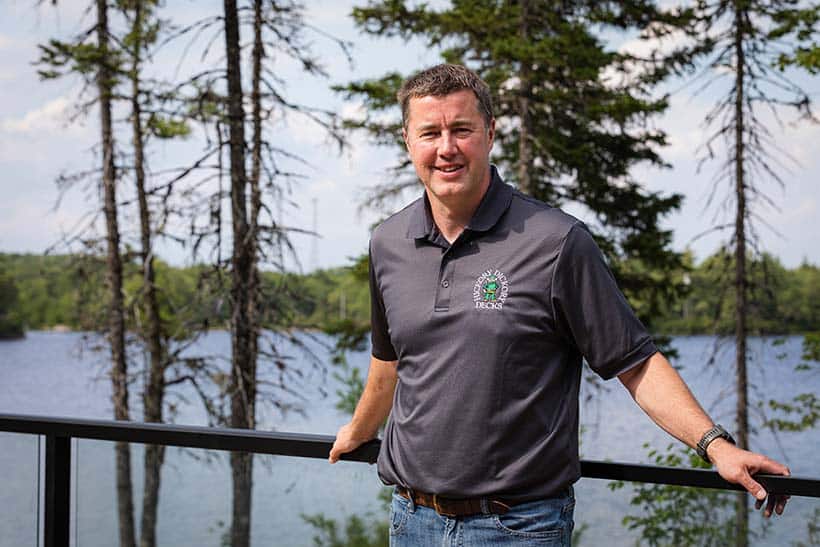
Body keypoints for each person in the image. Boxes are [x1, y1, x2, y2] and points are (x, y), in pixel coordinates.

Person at [328, 63, 789, 546]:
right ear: (408, 141)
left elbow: (635, 362)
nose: (447, 148)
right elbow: (390, 360)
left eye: (461, 129)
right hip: (411, 520)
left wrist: (716, 446)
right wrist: (359, 430)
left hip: (518, 527)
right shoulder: (388, 243)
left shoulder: (557, 241)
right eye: (430, 133)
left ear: (489, 132)